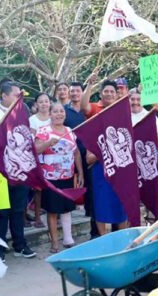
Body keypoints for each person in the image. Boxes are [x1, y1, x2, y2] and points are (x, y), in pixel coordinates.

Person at [0, 80, 37, 258]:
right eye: (16, 95)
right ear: (4, 95)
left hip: (19, 168)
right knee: (1, 211)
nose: (20, 98)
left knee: (18, 209)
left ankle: (20, 245)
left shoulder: (22, 113)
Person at [35, 102, 84, 252]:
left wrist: (80, 172)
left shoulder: (70, 131)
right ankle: (55, 242)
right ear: (50, 114)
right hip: (50, 178)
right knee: (52, 210)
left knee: (66, 208)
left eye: (61, 111)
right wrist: (48, 143)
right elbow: (35, 150)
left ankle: (68, 238)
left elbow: (76, 153)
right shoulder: (43, 131)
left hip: (67, 176)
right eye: (55, 111)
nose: (59, 114)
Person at [82, 79, 129, 234]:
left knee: (121, 204)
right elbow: (84, 106)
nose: (109, 94)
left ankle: (122, 237)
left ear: (117, 94)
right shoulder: (95, 110)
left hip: (120, 166)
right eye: (106, 91)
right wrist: (89, 85)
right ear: (101, 94)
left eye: (112, 92)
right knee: (100, 203)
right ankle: (103, 238)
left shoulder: (124, 111)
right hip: (100, 165)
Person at [64, 81, 98, 239]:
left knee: (91, 189)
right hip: (71, 156)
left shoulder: (89, 110)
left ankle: (92, 222)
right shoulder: (64, 111)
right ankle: (66, 230)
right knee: (69, 190)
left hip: (90, 155)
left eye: (78, 91)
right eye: (72, 91)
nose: (75, 93)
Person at [29, 93, 53, 229]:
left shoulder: (54, 116)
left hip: (54, 157)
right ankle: (37, 217)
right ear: (36, 104)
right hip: (37, 157)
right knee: (38, 189)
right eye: (41, 102)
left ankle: (55, 214)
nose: (44, 104)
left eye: (46, 101)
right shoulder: (32, 120)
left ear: (50, 103)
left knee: (54, 186)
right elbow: (32, 140)